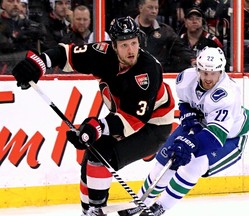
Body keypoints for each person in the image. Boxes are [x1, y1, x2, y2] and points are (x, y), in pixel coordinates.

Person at [11, 16, 175, 216]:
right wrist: (39, 63)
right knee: (89, 159)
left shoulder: (147, 70)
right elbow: (66, 54)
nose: (131, 50)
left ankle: (97, 210)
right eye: (124, 45)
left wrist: (96, 128)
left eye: (134, 43)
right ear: (113, 45)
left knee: (101, 154)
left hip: (153, 126)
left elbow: (132, 121)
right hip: (125, 118)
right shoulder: (102, 53)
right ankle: (87, 211)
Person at [120, 46, 249, 216]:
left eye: (213, 73)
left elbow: (215, 137)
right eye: (204, 72)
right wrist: (187, 113)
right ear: (197, 69)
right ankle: (140, 201)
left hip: (229, 138)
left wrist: (189, 144)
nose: (208, 78)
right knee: (166, 157)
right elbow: (184, 101)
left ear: (221, 71)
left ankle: (161, 206)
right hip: (200, 125)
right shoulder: (186, 78)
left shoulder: (226, 94)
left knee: (195, 164)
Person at [135, 0, 194, 73]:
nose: (154, 11)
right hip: (135, 75)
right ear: (140, 8)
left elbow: (181, 48)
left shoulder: (165, 30)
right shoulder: (130, 30)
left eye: (156, 8)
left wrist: (192, 59)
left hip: (158, 74)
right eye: (150, 7)